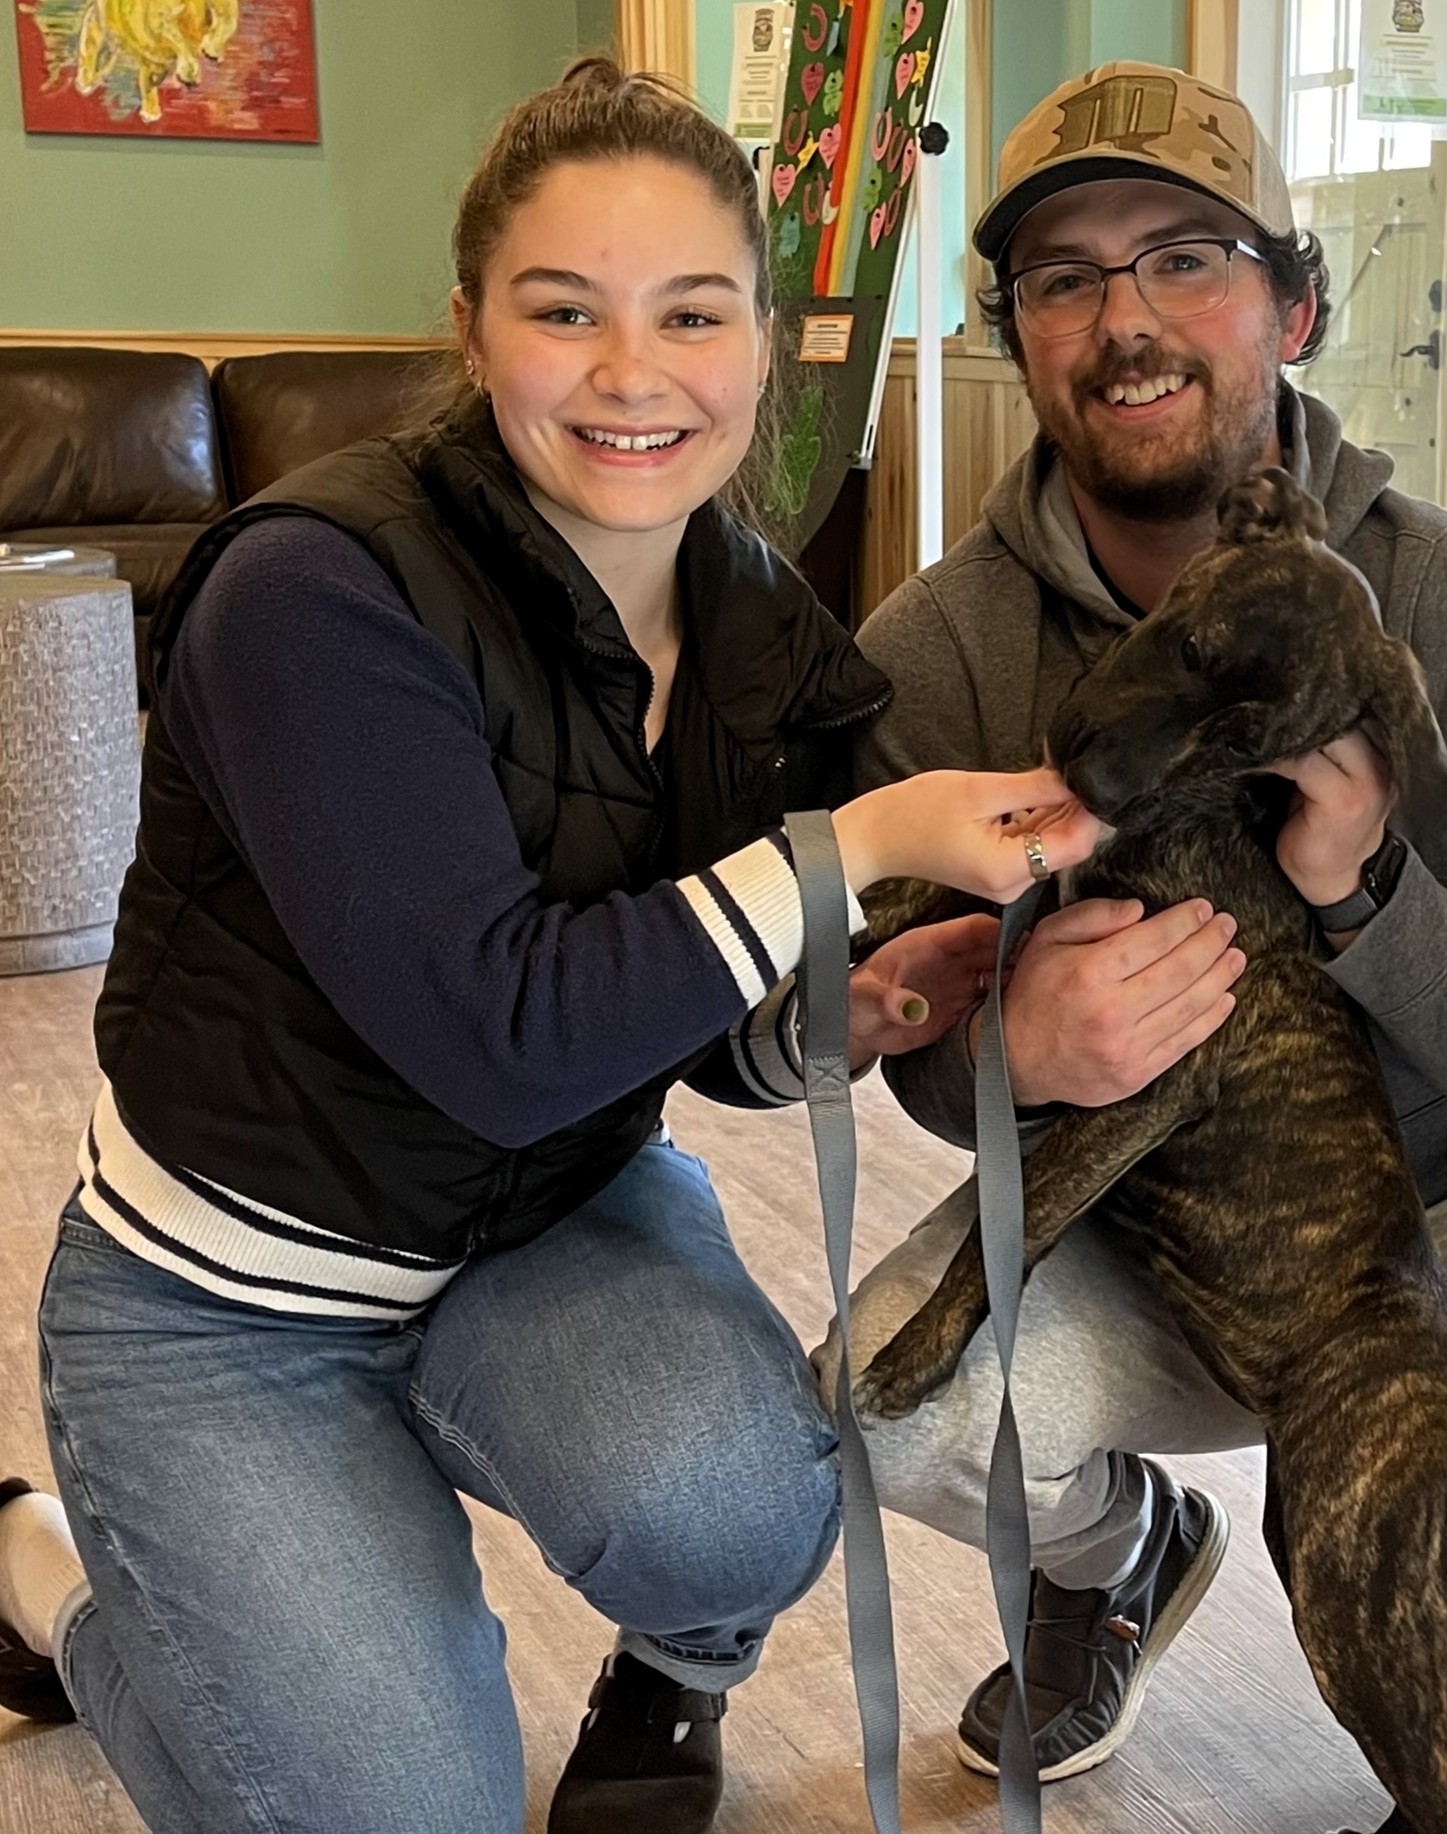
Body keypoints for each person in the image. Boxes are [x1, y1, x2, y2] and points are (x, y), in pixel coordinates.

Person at [0, 58, 1098, 1834]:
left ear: (764, 344)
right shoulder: (313, 589)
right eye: (564, 309)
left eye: (692, 313)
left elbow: (685, 1020)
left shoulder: (758, 626)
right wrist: (865, 843)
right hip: (226, 1305)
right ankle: (49, 1576)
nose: (632, 373)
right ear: (469, 326)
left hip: (547, 1221)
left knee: (744, 1502)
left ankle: (670, 1666)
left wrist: (845, 1010)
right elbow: (503, 1034)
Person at [821, 60, 1447, 1834]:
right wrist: (999, 1053)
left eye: (1184, 258)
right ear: (1013, 332)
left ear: (1293, 306)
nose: (1124, 320)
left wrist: (1366, 892)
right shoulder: (941, 646)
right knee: (883, 1406)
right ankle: (1118, 1555)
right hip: (1148, 1229)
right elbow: (892, 1040)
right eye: (1062, 276)